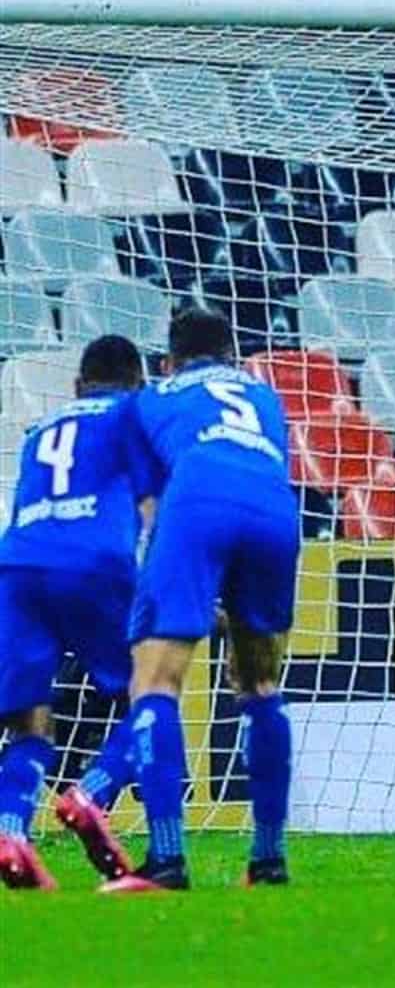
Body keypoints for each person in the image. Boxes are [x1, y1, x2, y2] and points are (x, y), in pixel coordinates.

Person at [60, 307, 303, 893]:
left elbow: (145, 501)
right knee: (260, 685)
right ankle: (268, 860)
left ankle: (167, 859)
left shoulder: (154, 398)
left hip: (196, 505)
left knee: (156, 683)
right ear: (234, 358)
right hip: (276, 512)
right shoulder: (265, 397)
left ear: (168, 362)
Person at [0, 336, 150, 891]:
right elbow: (159, 506)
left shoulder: (39, 430)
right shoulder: (135, 417)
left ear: (77, 386)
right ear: (140, 384)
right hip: (95, 563)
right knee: (152, 693)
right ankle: (93, 793)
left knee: (28, 721)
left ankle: (11, 831)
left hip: (17, 567)